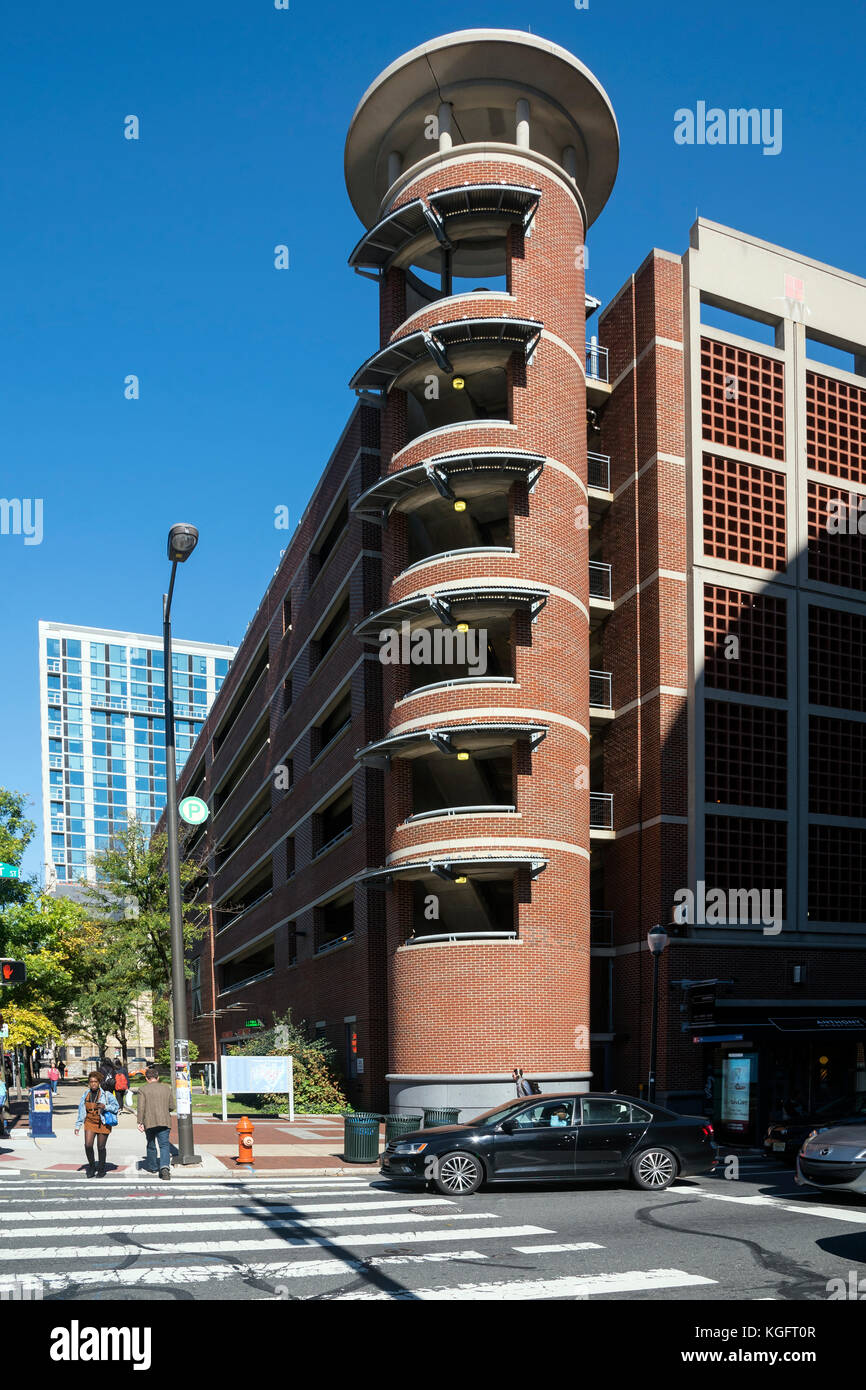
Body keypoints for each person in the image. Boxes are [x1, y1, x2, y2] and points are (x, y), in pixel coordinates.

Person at [74, 1071, 119, 1177]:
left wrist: (105, 1107)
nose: (93, 1084)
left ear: (99, 1082)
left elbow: (116, 1107)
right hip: (90, 1121)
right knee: (88, 1145)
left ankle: (101, 1168)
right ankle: (91, 1166)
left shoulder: (107, 1095)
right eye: (91, 1082)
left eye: (95, 1081)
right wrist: (78, 1125)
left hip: (103, 1123)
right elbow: (81, 1111)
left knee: (101, 1147)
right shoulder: (86, 1094)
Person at [137, 1067, 175, 1180]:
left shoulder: (142, 1089)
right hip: (164, 1121)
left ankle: (153, 1167)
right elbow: (172, 1106)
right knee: (164, 1145)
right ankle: (164, 1168)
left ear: (146, 1078)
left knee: (151, 1144)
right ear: (157, 1077)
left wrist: (140, 1121)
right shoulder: (166, 1088)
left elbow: (141, 1107)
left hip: (149, 1121)